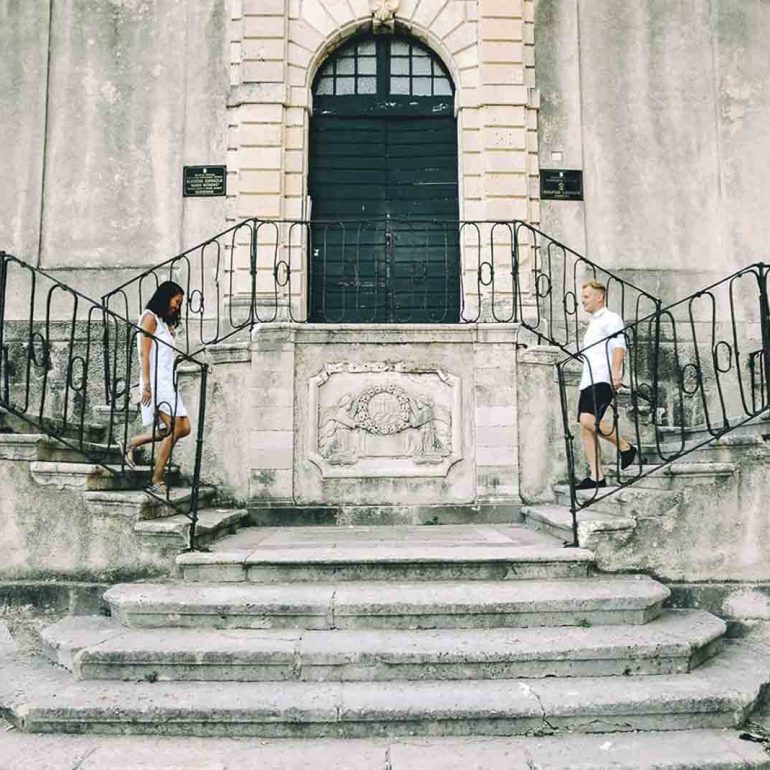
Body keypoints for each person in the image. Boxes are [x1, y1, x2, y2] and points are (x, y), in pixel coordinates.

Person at [122, 281, 191, 496]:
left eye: (180, 303)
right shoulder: (149, 318)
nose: (177, 306)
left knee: (184, 428)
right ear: (165, 297)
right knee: (173, 428)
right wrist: (146, 386)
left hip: (167, 381)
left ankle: (132, 443)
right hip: (156, 382)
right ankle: (156, 479)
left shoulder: (161, 321)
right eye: (176, 301)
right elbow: (144, 353)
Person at [575, 280, 637, 490]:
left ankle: (625, 447)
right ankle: (596, 477)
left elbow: (619, 346)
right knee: (586, 428)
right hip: (588, 380)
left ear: (599, 297)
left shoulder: (611, 318)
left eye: (586, 296)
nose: (583, 301)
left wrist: (615, 373)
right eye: (583, 297)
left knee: (587, 420)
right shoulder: (594, 322)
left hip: (603, 378)